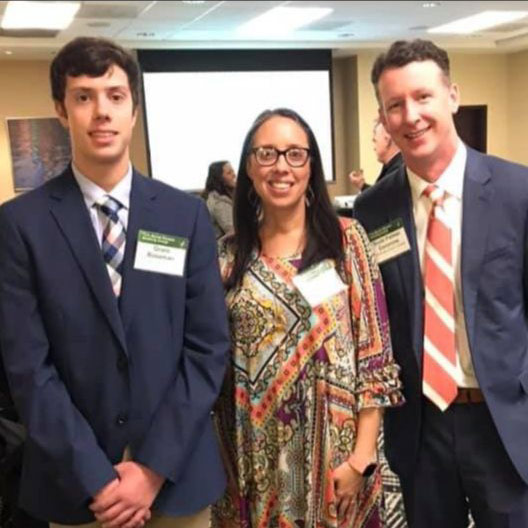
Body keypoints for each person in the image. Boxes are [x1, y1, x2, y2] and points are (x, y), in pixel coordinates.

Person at [0, 36, 229, 528]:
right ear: (62, 110)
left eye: (115, 96)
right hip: (77, 488)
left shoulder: (184, 216)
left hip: (176, 480)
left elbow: (207, 348)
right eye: (84, 96)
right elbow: (28, 368)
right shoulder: (20, 225)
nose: (101, 111)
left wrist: (149, 470)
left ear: (134, 110)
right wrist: (98, 478)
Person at [354, 39, 528, 527]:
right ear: (383, 117)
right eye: (395, 105)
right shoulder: (372, 211)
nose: (411, 116)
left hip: (504, 425)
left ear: (452, 95)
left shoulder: (518, 193)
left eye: (423, 96)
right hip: (421, 427)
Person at [211, 108, 403, 528]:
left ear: (311, 165)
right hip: (250, 464)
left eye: (295, 154)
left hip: (337, 462)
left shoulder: (346, 241)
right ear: (248, 166)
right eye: (267, 154)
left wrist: (361, 459)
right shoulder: (226, 255)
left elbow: (375, 358)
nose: (281, 166)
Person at [203, 161, 236, 238]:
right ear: (220, 179)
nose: (234, 175)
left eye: (233, 171)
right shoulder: (219, 203)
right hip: (224, 248)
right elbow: (234, 231)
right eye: (229, 173)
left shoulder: (220, 197)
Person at [372, 119, 403, 183]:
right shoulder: (392, 168)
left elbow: (381, 191)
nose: (374, 148)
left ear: (387, 140)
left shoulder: (397, 173)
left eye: (375, 141)